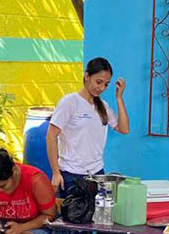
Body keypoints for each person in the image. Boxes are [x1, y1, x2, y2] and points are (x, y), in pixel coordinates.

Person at [47, 57, 129, 193]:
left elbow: (124, 129)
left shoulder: (103, 106)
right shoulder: (69, 102)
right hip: (71, 175)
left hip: (97, 174)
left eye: (106, 84)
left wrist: (119, 97)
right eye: (99, 82)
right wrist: (56, 173)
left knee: (99, 208)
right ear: (87, 76)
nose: (101, 88)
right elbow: (51, 136)